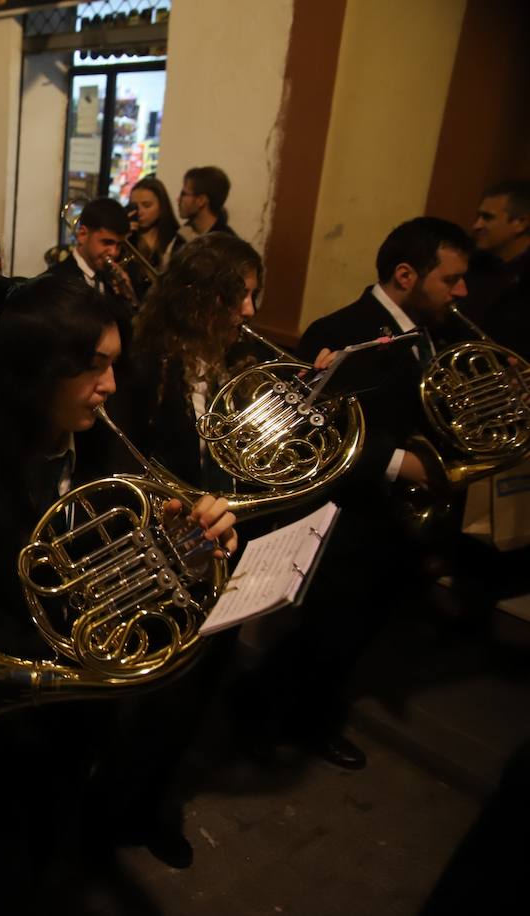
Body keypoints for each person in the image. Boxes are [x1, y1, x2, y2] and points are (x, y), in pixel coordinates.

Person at [0, 273, 239, 910]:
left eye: (115, 365)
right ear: (36, 371)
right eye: (95, 368)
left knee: (52, 854)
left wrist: (199, 545)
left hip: (85, 707)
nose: (113, 386)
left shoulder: (104, 447)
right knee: (0, 880)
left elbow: (135, 562)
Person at [239, 217, 475, 771]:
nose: (462, 292)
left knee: (360, 632)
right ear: (405, 275)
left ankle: (313, 720)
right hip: (347, 516)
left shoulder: (437, 331)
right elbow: (318, 433)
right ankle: (259, 717)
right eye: (452, 279)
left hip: (400, 521)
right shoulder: (338, 329)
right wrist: (401, 463)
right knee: (324, 630)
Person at [112, 234, 264, 489]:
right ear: (198, 296)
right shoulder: (148, 367)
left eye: (253, 295)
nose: (249, 310)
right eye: (239, 295)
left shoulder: (244, 356)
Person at [467, 179, 530, 356]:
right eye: (478, 216)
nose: (476, 225)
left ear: (520, 223)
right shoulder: (469, 264)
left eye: (487, 217)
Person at [50, 197, 135, 305]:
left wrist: (129, 297)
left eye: (119, 245)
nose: (114, 252)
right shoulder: (56, 281)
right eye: (107, 242)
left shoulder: (111, 281)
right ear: (82, 235)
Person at [123, 175, 178, 299]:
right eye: (134, 206)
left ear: (162, 207)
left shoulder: (175, 239)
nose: (140, 212)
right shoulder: (127, 239)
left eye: (147, 205)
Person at [173, 165, 235, 249]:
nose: (178, 199)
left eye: (184, 194)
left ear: (201, 200)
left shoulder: (225, 245)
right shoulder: (183, 235)